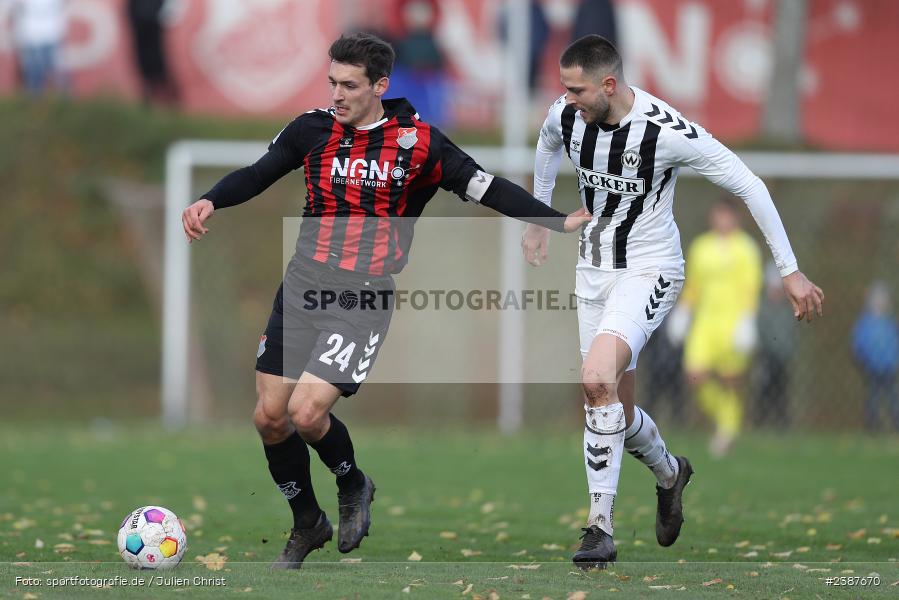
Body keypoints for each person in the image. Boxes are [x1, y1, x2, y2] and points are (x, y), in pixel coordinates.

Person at [181, 32, 589, 570]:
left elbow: (485, 186)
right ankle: (308, 522)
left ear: (380, 85)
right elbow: (260, 172)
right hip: (302, 286)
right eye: (332, 82)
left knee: (307, 413)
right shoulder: (312, 129)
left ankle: (353, 483)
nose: (337, 94)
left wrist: (553, 220)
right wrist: (212, 198)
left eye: (349, 85)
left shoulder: (419, 144)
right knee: (269, 417)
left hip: (362, 295)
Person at [521, 34, 824, 569]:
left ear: (609, 85)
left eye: (576, 90)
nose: (566, 99)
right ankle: (669, 473)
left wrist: (790, 270)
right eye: (564, 90)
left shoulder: (664, 131)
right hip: (593, 270)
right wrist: (542, 217)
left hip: (650, 269)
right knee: (614, 403)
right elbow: (546, 144)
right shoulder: (566, 117)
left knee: (595, 380)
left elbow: (749, 184)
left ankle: (599, 526)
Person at [674, 198, 763, 457]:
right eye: (718, 215)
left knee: (730, 380)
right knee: (694, 374)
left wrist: (747, 319)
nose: (722, 220)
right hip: (705, 323)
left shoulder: (746, 248)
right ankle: (726, 420)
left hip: (734, 322)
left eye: (727, 215)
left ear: (736, 218)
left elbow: (751, 286)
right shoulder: (701, 247)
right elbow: (694, 284)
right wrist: (684, 310)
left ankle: (727, 430)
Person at [752, 261, 797, 429]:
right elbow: (762, 331)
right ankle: (760, 423)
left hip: (782, 358)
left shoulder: (786, 309)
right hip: (766, 357)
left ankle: (782, 424)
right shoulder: (763, 308)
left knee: (782, 393)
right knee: (763, 391)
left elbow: (789, 334)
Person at [851, 281, 899, 432]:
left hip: (890, 368)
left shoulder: (891, 323)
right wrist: (861, 360)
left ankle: (895, 423)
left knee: (893, 398)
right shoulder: (865, 324)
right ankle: (873, 427)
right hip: (872, 369)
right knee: (873, 399)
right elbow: (858, 344)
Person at [8, 0, 67, 97]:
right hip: (31, 36)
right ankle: (35, 105)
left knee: (57, 74)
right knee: (34, 75)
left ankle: (62, 104)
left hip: (51, 34)